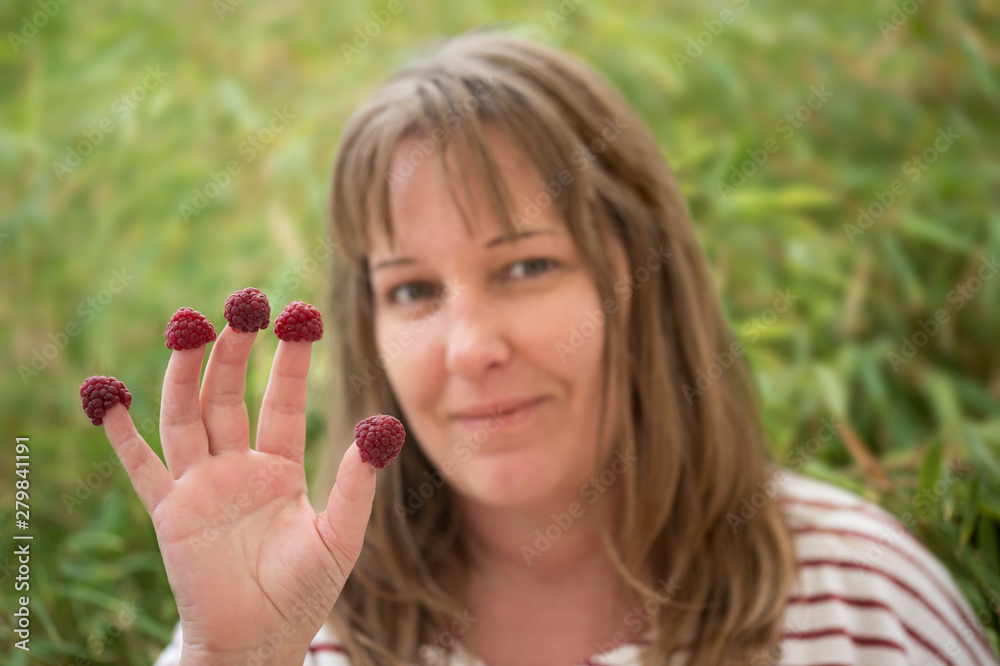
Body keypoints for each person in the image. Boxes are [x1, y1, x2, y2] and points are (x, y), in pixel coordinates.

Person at [95, 28, 998, 666]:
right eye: (412, 289)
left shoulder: (863, 601)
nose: (471, 347)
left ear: (640, 278)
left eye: (525, 267)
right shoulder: (286, 628)